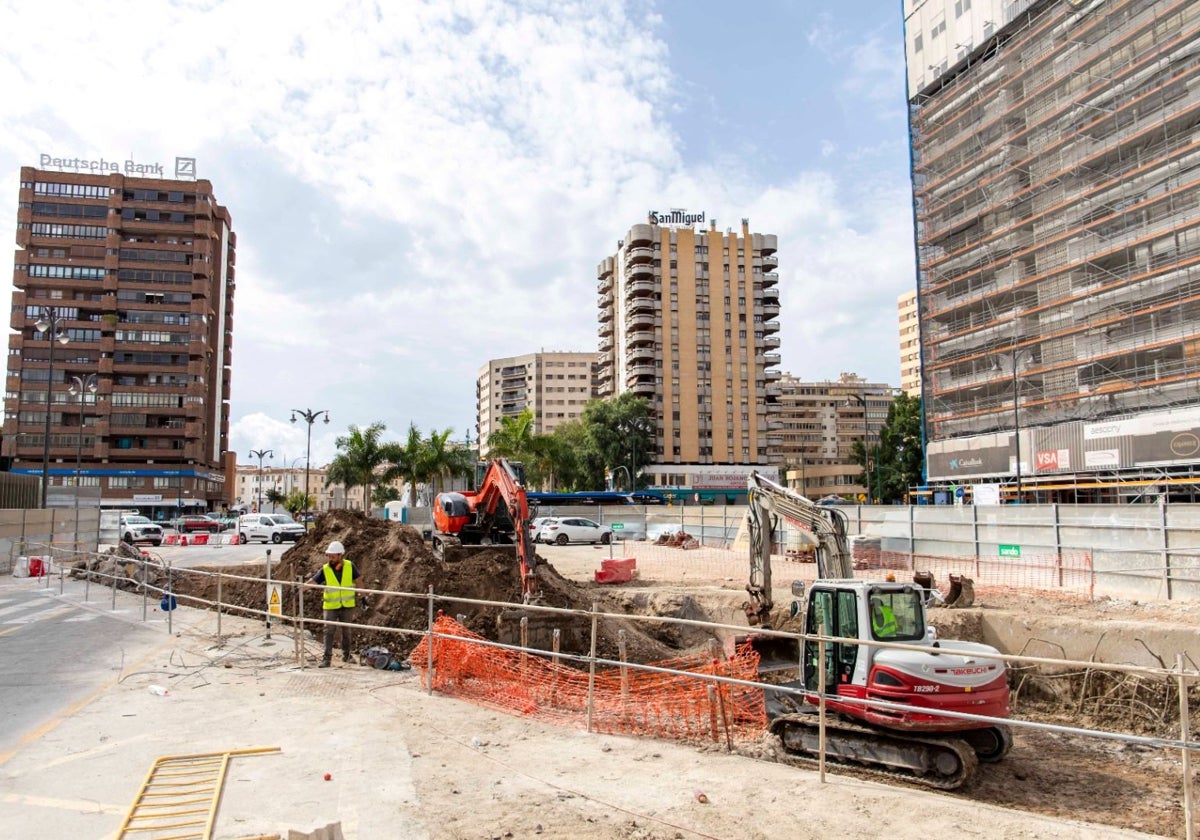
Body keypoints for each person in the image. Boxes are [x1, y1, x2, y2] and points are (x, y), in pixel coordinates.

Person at [309, 540, 360, 667]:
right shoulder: (325, 569)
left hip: (347, 605)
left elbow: (359, 581)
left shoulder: (349, 566)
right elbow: (314, 581)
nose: (330, 558)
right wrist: (300, 587)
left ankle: (347, 655)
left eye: (333, 556)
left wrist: (363, 596)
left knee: (346, 631)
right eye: (329, 556)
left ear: (340, 555)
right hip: (331, 607)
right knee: (328, 631)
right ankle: (327, 659)